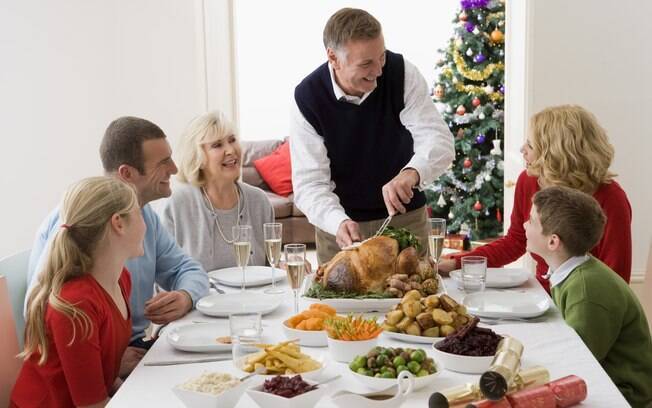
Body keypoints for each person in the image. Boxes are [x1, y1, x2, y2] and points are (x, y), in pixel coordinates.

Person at [25, 117, 209, 368]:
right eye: (163, 162)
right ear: (127, 174)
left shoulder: (145, 216)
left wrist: (185, 296)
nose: (175, 169)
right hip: (97, 364)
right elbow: (45, 314)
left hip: (133, 350)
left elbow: (187, 269)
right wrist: (108, 359)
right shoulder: (78, 222)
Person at [290, 7, 454, 264]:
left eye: (381, 57)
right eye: (366, 63)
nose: (378, 70)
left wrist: (411, 173)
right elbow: (310, 184)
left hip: (405, 221)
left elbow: (438, 139)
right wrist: (338, 221)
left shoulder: (402, 74)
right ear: (333, 57)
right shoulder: (307, 98)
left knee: (416, 301)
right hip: (339, 229)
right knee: (336, 304)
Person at [439, 105, 632, 292]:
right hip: (542, 295)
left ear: (557, 154)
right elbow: (515, 242)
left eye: (530, 145)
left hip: (586, 302)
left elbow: (616, 281)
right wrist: (457, 262)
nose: (522, 149)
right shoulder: (529, 180)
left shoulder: (611, 198)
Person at [12, 177, 145, 407]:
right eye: (139, 214)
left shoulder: (122, 278)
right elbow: (91, 405)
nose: (145, 224)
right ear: (118, 223)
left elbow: (101, 369)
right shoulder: (75, 304)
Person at [524, 186, 652, 407]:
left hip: (623, 392)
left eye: (531, 221)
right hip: (602, 378)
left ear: (553, 242)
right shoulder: (574, 272)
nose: (525, 225)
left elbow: (579, 361)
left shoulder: (586, 290)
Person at [161, 111, 274, 272]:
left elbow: (270, 269)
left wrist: (282, 266)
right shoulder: (179, 204)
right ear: (198, 158)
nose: (230, 150)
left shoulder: (259, 200)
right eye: (217, 145)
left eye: (232, 140)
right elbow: (165, 274)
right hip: (200, 298)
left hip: (253, 297)